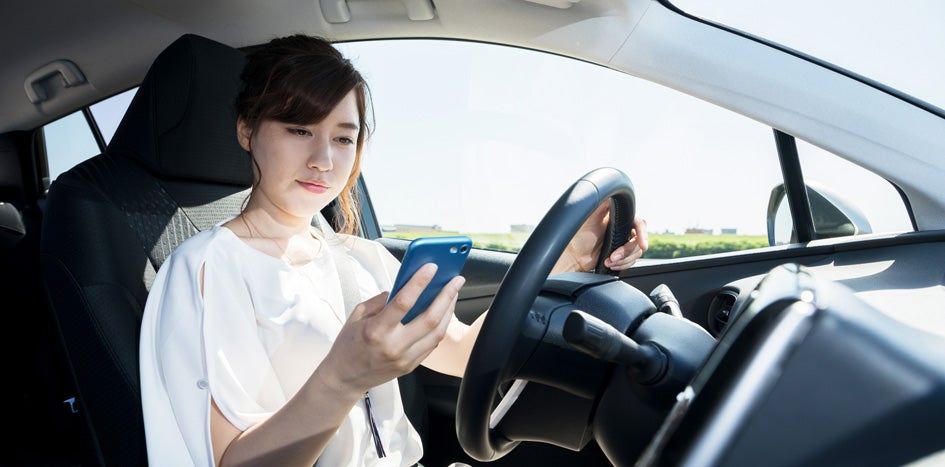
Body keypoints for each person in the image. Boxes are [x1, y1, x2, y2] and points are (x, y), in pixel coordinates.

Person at [138, 34, 649, 467]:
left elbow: (461, 353)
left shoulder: (360, 258)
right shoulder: (206, 269)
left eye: (343, 138)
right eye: (299, 130)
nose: (322, 160)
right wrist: (343, 376)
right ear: (247, 130)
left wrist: (572, 260)